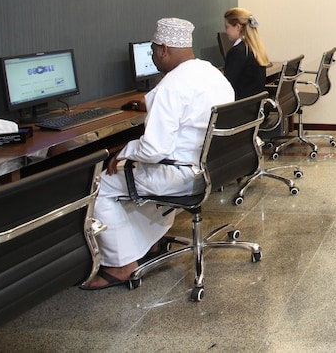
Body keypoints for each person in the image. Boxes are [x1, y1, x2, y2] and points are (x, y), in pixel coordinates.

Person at [81, 17, 234, 290]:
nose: (153, 58)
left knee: (99, 185)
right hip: (212, 169)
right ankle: (150, 243)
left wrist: (124, 151)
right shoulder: (213, 74)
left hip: (179, 176)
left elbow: (153, 150)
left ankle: (120, 265)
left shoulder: (170, 87)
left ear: (163, 49)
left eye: (153, 51)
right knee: (131, 176)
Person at [222, 7, 271, 99]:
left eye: (227, 27)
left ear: (237, 27)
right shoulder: (255, 48)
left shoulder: (237, 52)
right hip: (253, 105)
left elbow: (227, 85)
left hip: (240, 105)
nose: (225, 31)